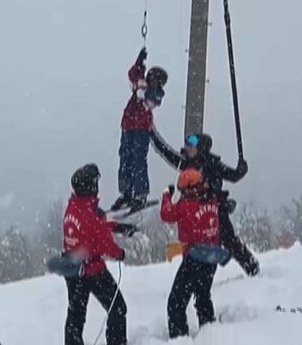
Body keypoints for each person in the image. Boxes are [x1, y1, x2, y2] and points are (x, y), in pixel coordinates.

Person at [150, 129, 259, 276]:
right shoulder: (186, 162)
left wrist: (241, 170)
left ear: (201, 147)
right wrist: (152, 135)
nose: (187, 147)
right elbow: (166, 152)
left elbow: (233, 176)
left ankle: (252, 268)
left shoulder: (213, 164)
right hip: (197, 214)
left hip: (215, 212)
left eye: (191, 145)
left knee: (228, 241)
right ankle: (199, 278)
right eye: (187, 144)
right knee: (198, 247)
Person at [63, 163, 137, 345]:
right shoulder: (92, 214)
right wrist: (120, 253)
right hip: (92, 270)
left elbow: (93, 227)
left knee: (75, 316)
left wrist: (116, 226)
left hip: (72, 270)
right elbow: (105, 243)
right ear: (91, 187)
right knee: (117, 307)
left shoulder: (73, 206)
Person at [159, 168, 221, 339]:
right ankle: (210, 334)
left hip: (195, 259)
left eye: (183, 190)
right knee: (203, 296)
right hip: (212, 258)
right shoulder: (212, 200)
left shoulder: (185, 206)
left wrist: (167, 195)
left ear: (191, 188)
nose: (182, 194)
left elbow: (166, 214)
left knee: (176, 302)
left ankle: (180, 338)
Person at [110, 48, 168, 212]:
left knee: (138, 160)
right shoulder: (142, 85)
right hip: (128, 125)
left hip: (140, 128)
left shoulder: (156, 93)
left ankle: (140, 194)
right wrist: (139, 62)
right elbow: (132, 75)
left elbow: (148, 99)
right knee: (125, 158)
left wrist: (142, 87)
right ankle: (126, 193)